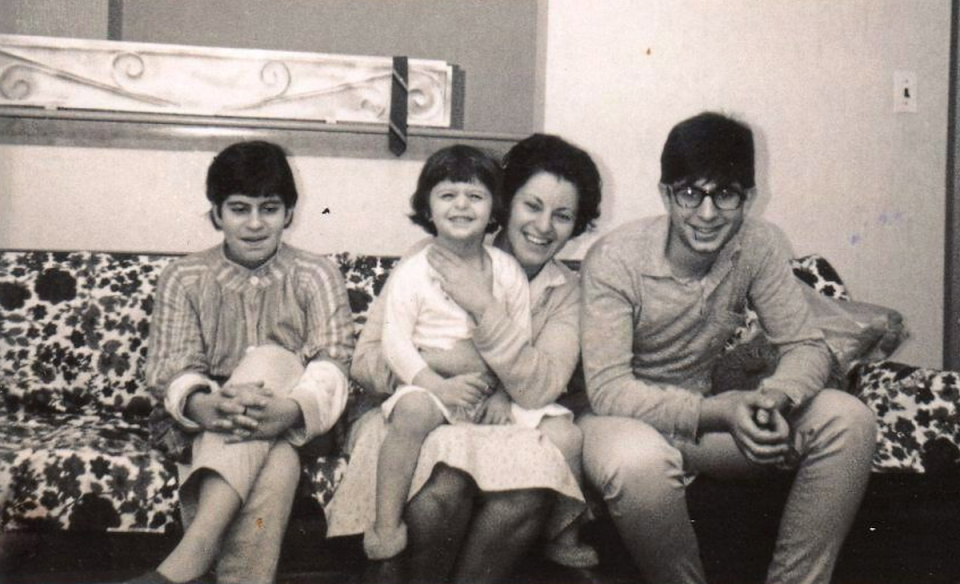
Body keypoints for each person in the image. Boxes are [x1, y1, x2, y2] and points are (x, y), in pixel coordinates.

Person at [578, 112, 878, 584]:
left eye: (726, 194)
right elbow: (609, 390)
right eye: (690, 193)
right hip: (623, 423)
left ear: (749, 199)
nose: (707, 213)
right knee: (639, 462)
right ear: (665, 194)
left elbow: (806, 346)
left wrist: (775, 399)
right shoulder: (616, 259)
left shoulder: (758, 245)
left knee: (848, 418)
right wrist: (718, 412)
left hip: (705, 427)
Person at [326, 134, 603, 583]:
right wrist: (442, 369)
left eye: (563, 215)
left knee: (528, 493)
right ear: (505, 202)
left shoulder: (567, 294)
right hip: (411, 417)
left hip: (497, 418)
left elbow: (540, 388)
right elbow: (368, 360)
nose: (544, 226)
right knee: (446, 486)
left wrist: (483, 308)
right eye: (532, 206)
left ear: (577, 225)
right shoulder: (430, 258)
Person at [136, 141, 354, 584]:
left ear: (289, 213)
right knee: (277, 462)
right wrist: (206, 406)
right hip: (205, 419)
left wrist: (291, 411)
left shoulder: (316, 274)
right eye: (239, 208)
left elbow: (333, 363)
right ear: (216, 213)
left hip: (296, 416)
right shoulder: (184, 277)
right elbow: (172, 369)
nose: (255, 224)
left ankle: (191, 555)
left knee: (273, 359)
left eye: (269, 208)